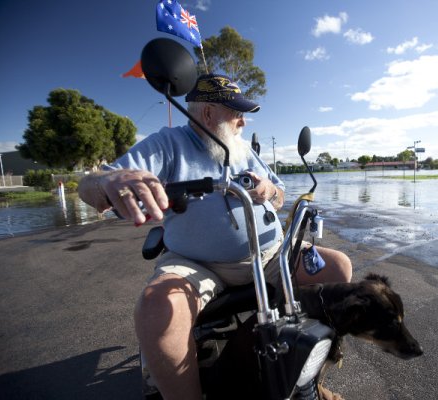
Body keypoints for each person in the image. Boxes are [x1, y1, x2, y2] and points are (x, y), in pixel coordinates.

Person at [78, 74, 352, 400]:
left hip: (269, 255)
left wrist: (268, 190)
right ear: (207, 114)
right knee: (156, 311)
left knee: (337, 268)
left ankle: (302, 373)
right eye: (235, 111)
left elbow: (279, 194)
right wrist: (109, 180)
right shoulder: (168, 144)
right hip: (199, 264)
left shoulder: (243, 149)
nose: (243, 119)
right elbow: (92, 185)